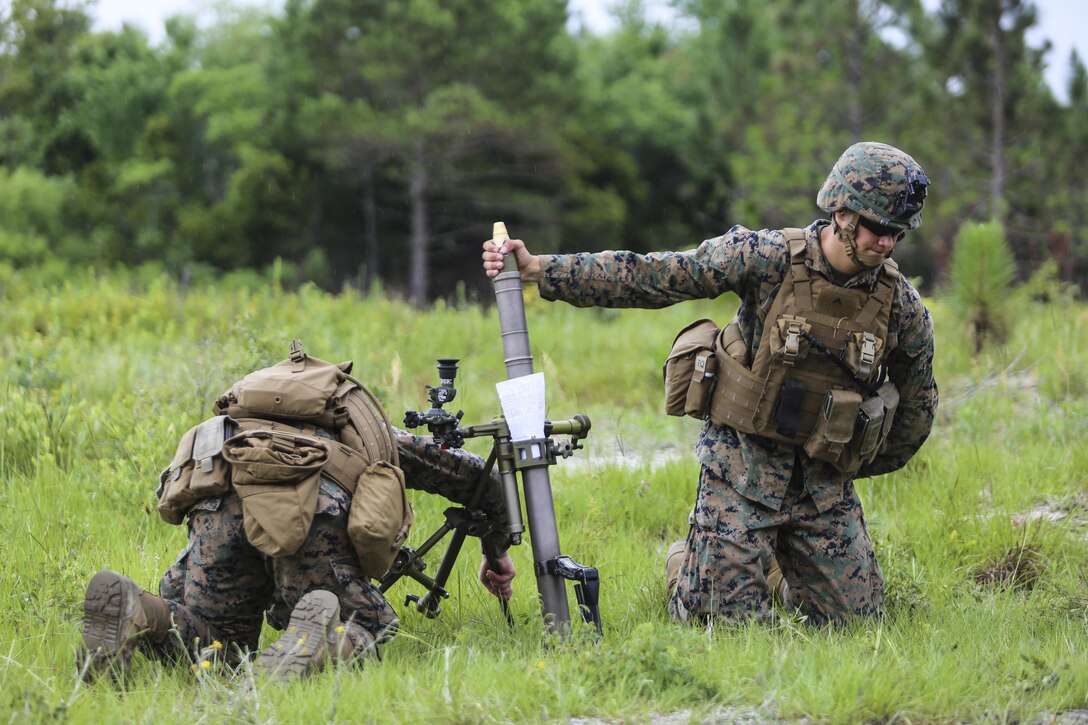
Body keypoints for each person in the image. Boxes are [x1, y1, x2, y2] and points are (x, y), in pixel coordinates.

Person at [482, 142, 937, 625]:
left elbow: (918, 407)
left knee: (857, 624)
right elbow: (654, 276)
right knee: (724, 624)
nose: (886, 244)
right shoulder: (767, 257)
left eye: (897, 234)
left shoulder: (901, 308)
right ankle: (689, 565)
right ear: (842, 213)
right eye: (878, 228)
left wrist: (850, 465)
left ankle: (779, 565)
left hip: (823, 483)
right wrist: (541, 270)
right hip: (741, 467)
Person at [79, 344, 516, 682]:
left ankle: (138, 612)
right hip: (312, 510)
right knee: (363, 623)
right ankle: (319, 638)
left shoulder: (242, 423)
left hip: (218, 502)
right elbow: (481, 481)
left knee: (219, 647)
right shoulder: (356, 423)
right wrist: (496, 557)